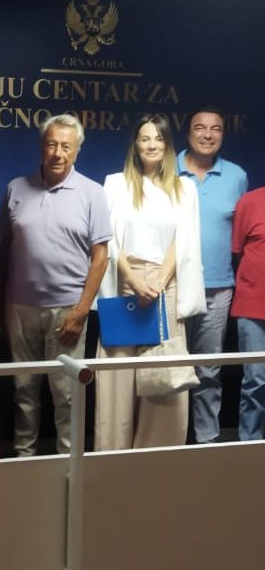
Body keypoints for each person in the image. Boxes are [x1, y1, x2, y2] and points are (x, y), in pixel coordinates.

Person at [95, 114, 206, 451]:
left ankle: (158, 456)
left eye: (158, 138)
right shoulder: (115, 184)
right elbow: (108, 240)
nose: (152, 145)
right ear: (135, 144)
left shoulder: (184, 189)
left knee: (163, 378)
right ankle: (112, 457)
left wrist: (157, 281)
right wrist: (132, 279)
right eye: (145, 138)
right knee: (117, 378)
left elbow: (183, 241)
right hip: (124, 284)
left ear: (168, 145)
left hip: (164, 286)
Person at [3, 113, 111, 456]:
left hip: (68, 310)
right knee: (23, 390)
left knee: (65, 393)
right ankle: (24, 459)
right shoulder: (16, 188)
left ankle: (68, 463)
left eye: (66, 146)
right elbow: (4, 249)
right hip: (19, 308)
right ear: (41, 147)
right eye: (51, 144)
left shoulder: (92, 193)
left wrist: (81, 312)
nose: (58, 153)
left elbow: (101, 258)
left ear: (77, 150)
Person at [178, 107, 248, 443]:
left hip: (218, 289)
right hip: (172, 287)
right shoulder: (165, 169)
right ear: (188, 132)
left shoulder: (236, 176)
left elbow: (242, 236)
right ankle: (169, 442)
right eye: (200, 128)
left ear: (223, 134)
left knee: (208, 370)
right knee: (169, 369)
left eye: (216, 129)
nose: (207, 135)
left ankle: (206, 444)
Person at [231, 188, 265, 440]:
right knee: (255, 382)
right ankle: (251, 446)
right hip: (253, 306)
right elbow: (237, 253)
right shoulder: (249, 202)